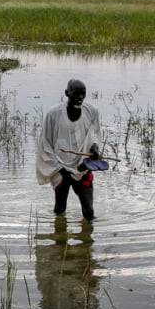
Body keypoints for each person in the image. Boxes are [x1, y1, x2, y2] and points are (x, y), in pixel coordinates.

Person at [36, 79, 102, 221]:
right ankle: (60, 239)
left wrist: (95, 148)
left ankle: (86, 240)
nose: (79, 97)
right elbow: (46, 144)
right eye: (75, 94)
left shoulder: (92, 112)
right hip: (60, 168)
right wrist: (59, 169)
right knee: (60, 209)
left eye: (82, 94)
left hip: (83, 167)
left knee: (89, 213)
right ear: (67, 93)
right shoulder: (53, 114)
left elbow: (95, 134)